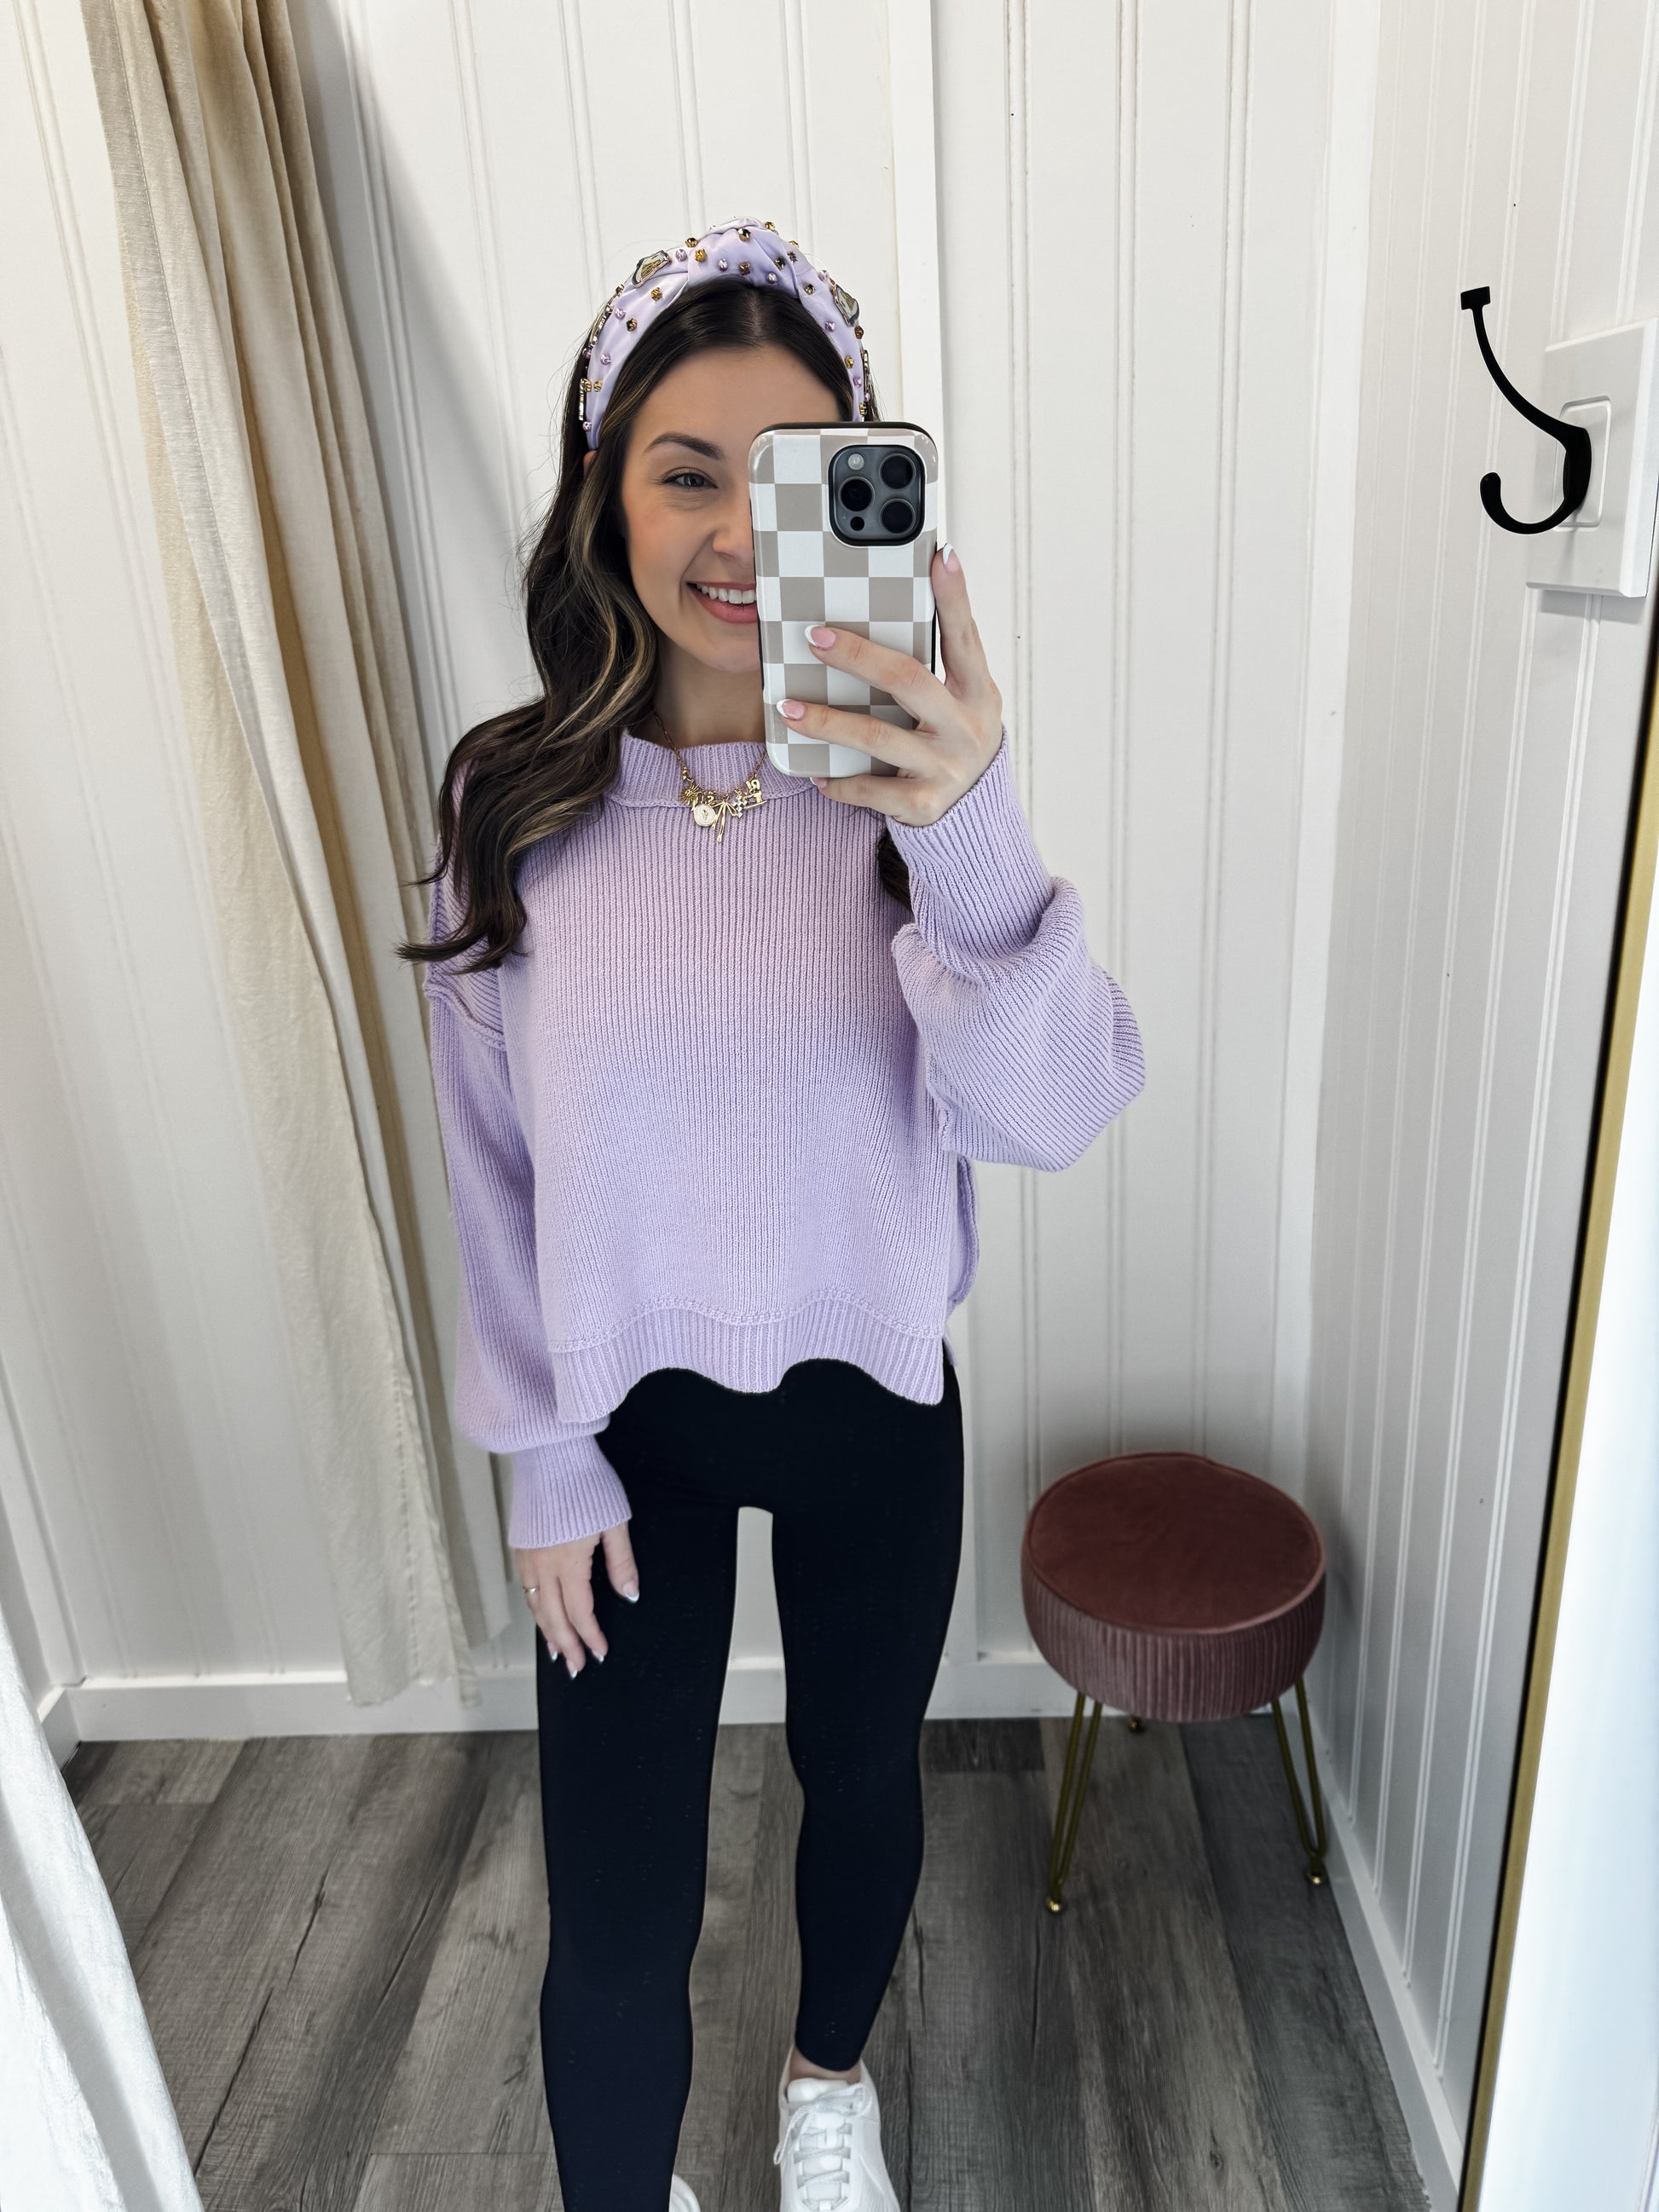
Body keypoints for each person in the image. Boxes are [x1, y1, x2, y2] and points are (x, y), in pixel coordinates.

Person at [402, 217, 1144, 2212]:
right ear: (603, 497)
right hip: (618, 1437)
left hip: (869, 1404)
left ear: (863, 497)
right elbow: (486, 1155)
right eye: (684, 472)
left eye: (794, 474)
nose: (738, 533)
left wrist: (965, 824)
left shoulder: (908, 785)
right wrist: (540, 1452)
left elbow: (1055, 1113)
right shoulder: (508, 803)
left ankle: (829, 2086)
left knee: (862, 1779)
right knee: (614, 1905)